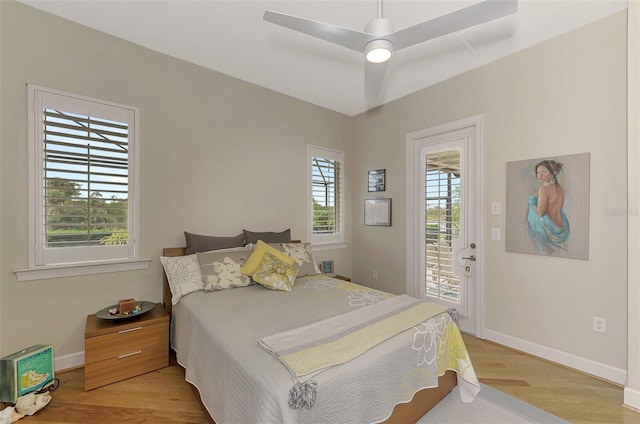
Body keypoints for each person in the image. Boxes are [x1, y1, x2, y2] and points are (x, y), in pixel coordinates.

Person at [526, 159, 570, 254]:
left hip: (549, 230)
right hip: (562, 228)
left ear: (553, 172)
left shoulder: (543, 190)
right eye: (538, 173)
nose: (540, 175)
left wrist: (532, 203)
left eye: (544, 172)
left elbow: (540, 213)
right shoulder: (560, 189)